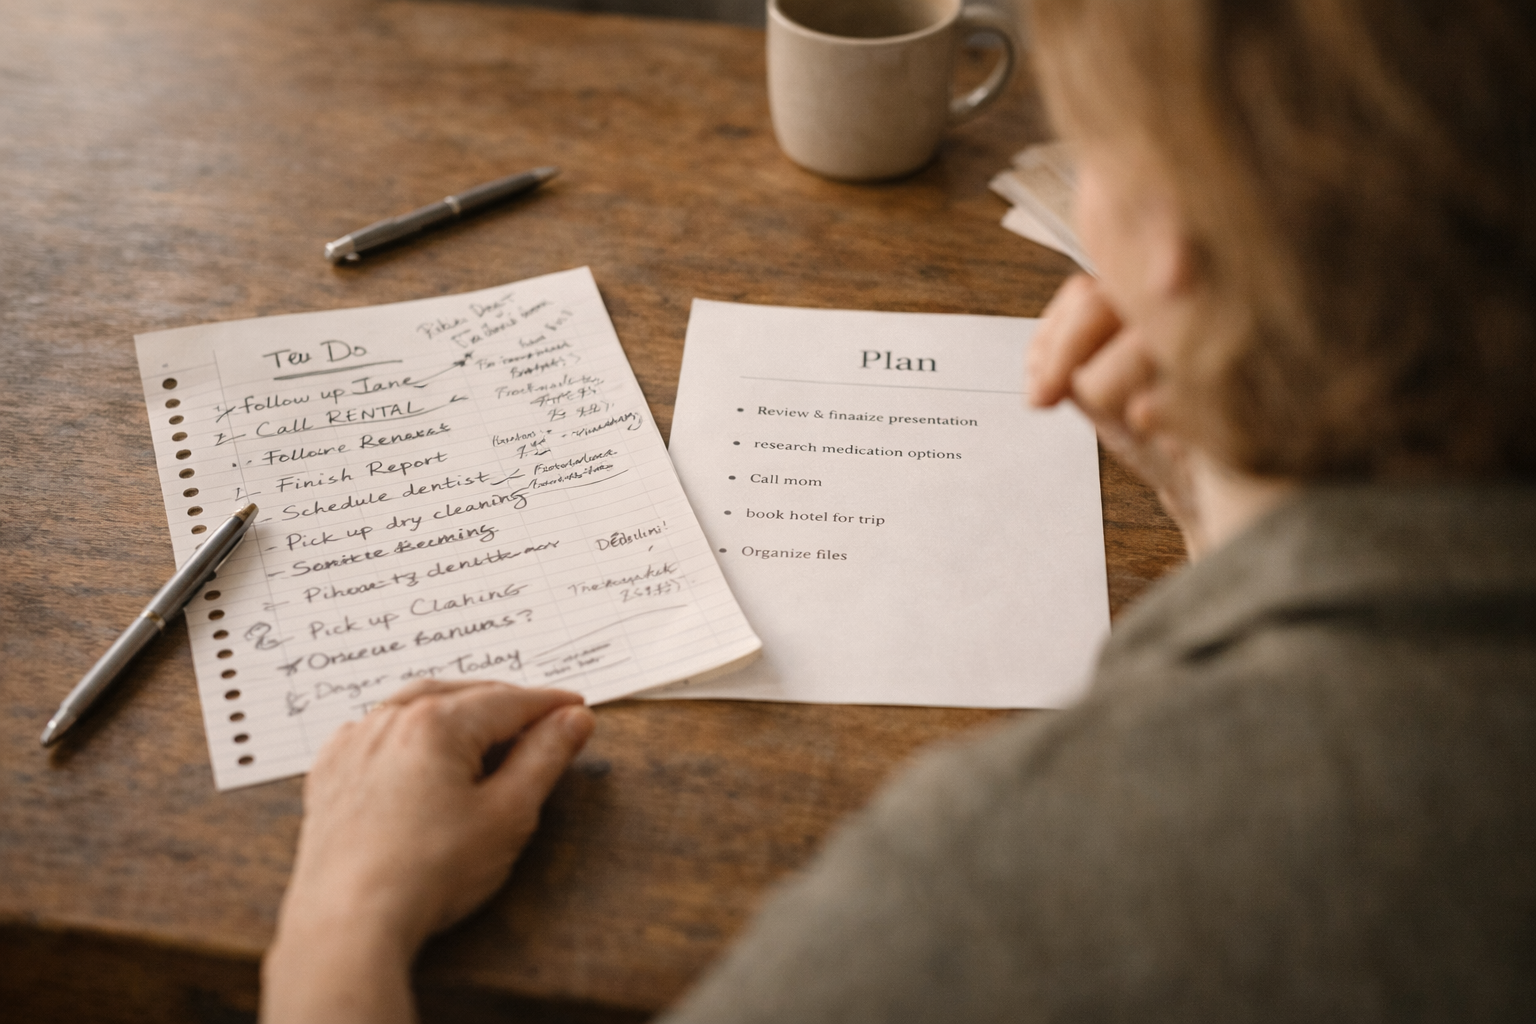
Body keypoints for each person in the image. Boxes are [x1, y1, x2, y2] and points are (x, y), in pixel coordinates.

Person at [260, 0, 1536, 1019]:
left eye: (1092, 151)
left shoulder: (987, 892)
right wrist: (1217, 519)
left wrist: (341, 919)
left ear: (1168, 248)